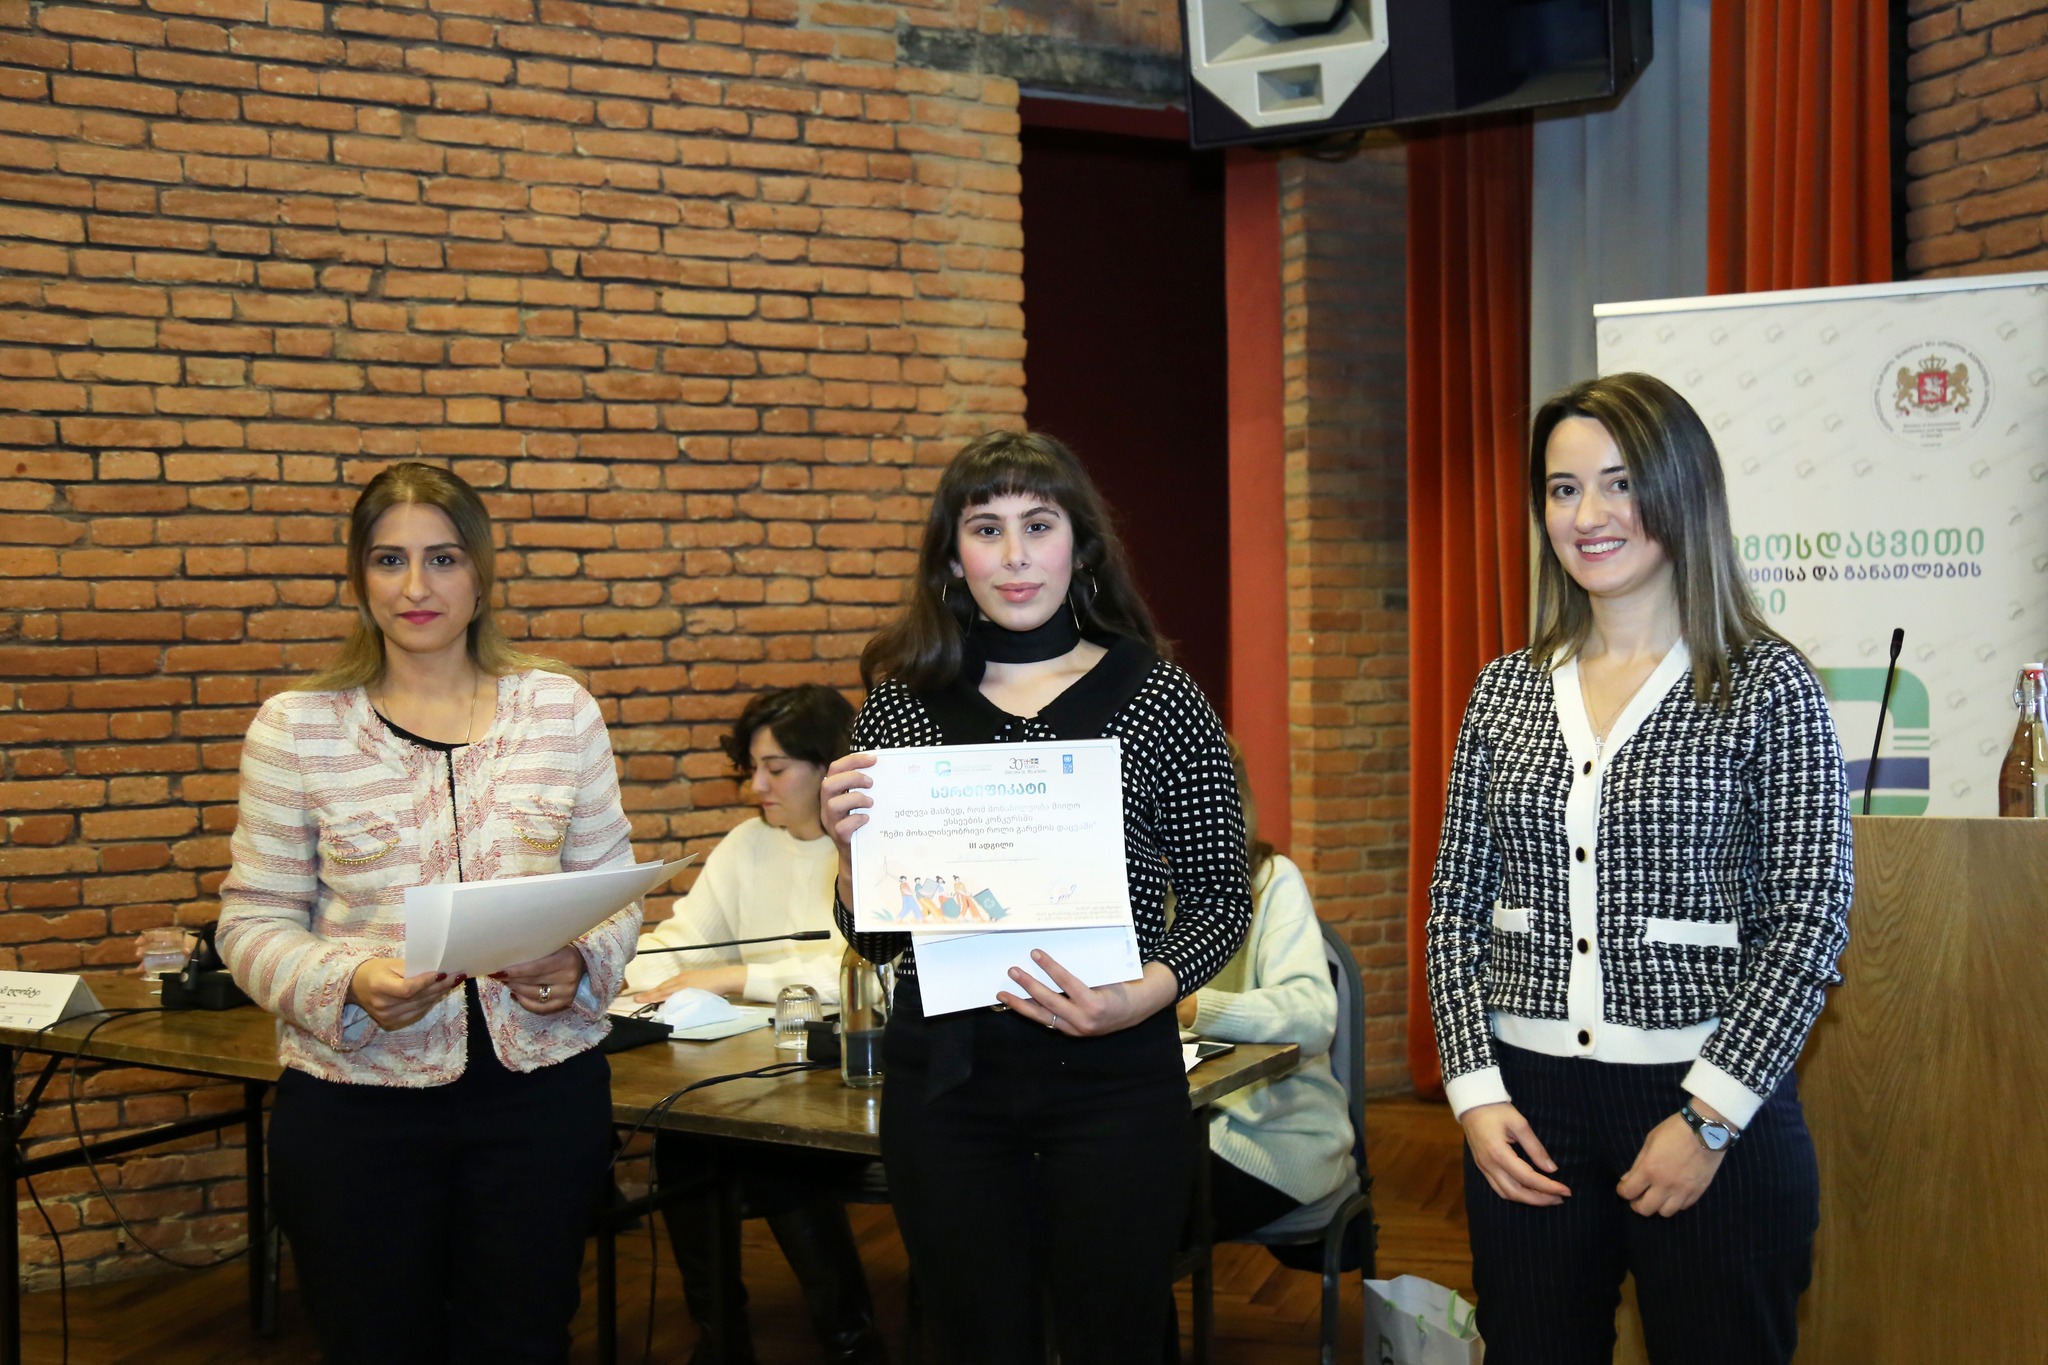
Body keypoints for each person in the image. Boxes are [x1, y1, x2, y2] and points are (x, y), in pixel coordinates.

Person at [1426, 373, 1853, 1365]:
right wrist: (1473, 1090)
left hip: (1708, 1102)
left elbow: (1807, 920)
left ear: (1679, 490)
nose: (1588, 516)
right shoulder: (1504, 690)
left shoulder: (1765, 685)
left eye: (1618, 483)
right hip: (1525, 1113)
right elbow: (1454, 909)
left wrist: (1708, 1120)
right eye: (1563, 489)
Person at [822, 429, 1253, 1365]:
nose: (1015, 555)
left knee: (1118, 1336)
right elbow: (882, 941)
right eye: (987, 528)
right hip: (947, 1085)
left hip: (1115, 1079)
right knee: (971, 1335)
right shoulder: (900, 708)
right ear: (953, 557)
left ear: (1080, 545)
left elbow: (1222, 898)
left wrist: (1138, 997)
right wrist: (853, 861)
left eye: (1039, 524)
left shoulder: (1159, 696)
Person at [217, 462, 639, 1365]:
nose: (416, 586)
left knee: (523, 1342)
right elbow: (250, 921)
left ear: (481, 573)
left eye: (443, 558)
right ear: (359, 578)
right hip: (357, 1104)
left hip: (542, 1098)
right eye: (389, 559)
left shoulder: (559, 710)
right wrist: (349, 980)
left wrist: (580, 961)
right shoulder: (298, 727)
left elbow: (613, 886)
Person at [621, 685, 887, 1365]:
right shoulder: (747, 845)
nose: (757, 786)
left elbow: (864, 971)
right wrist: (632, 972)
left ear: (828, 767)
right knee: (682, 1141)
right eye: (752, 768)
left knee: (774, 1153)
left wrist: (734, 978)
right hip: (751, 1068)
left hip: (844, 1073)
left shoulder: (869, 850)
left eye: (775, 768)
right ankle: (721, 1338)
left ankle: (851, 1340)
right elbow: (682, 943)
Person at [1176, 738, 1355, 1243]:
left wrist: (1196, 1007)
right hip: (1179, 1123)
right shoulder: (1141, 887)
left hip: (1272, 1137)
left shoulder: (1273, 880)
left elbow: (1313, 1015)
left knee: (1117, 1213)